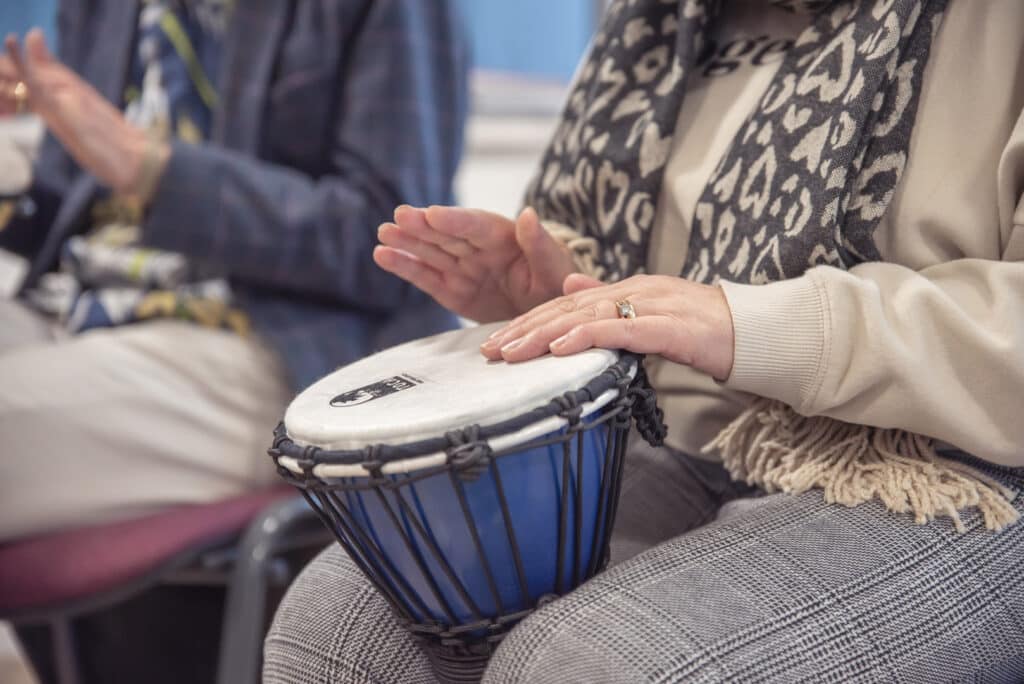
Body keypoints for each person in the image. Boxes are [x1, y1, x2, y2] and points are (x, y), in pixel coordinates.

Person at [264, 0, 1024, 681]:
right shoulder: (657, 19)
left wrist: (748, 324)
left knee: (587, 663)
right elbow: (649, 287)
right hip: (683, 432)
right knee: (334, 633)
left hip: (951, 466)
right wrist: (559, 295)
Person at [0, 0, 468, 541]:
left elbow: (397, 249)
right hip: (72, 307)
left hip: (264, 338)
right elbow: (77, 211)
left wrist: (152, 169)